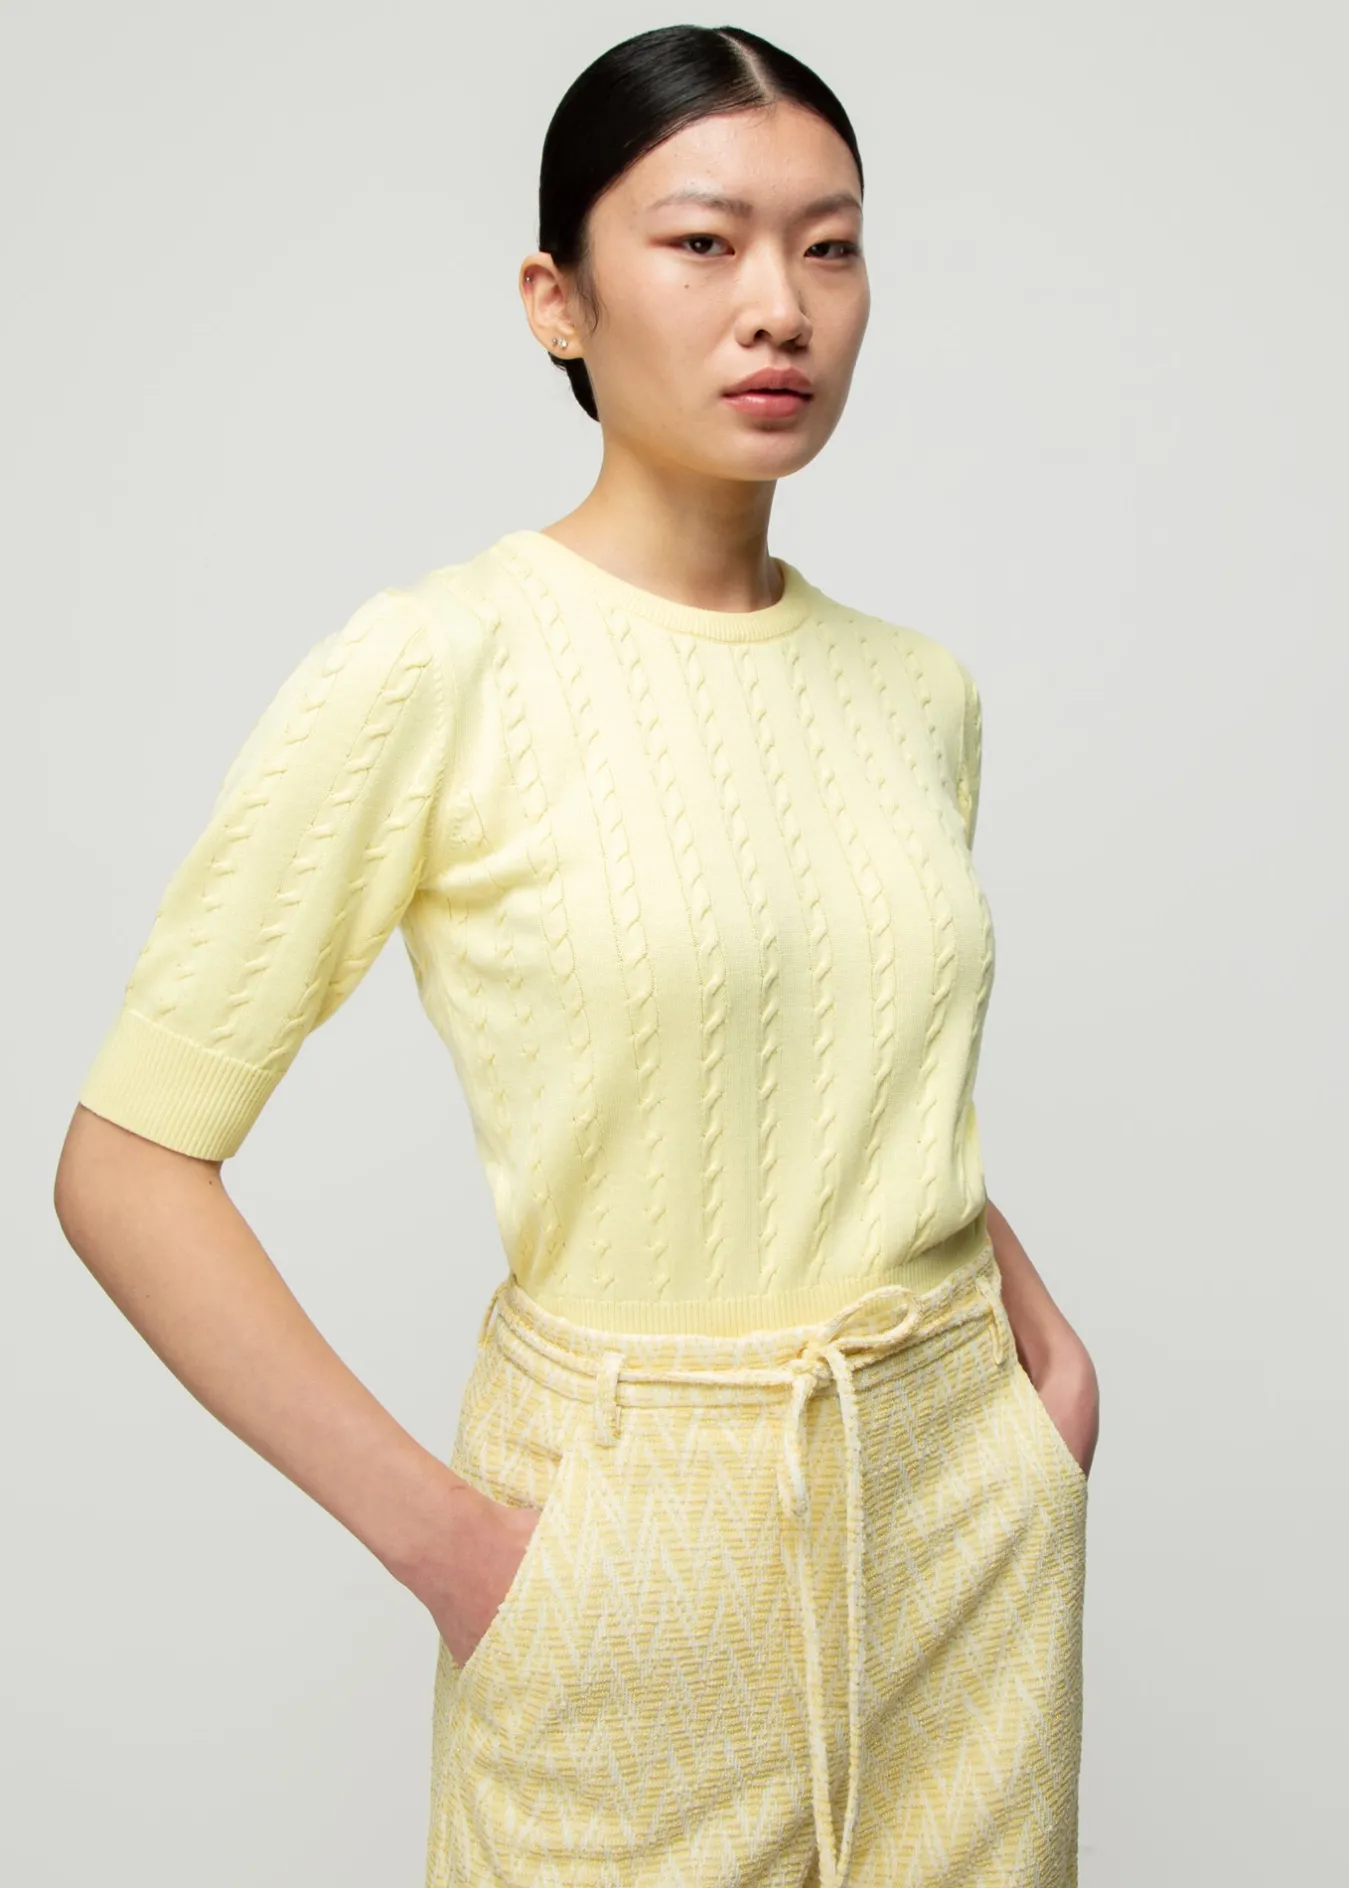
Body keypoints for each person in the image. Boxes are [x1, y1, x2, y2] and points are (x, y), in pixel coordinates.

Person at [54, 22, 1100, 1888]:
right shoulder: (436, 664)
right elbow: (124, 1166)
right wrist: (465, 1557)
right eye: (703, 242)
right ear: (559, 299)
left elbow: (857, 1055)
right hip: (627, 1543)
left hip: (964, 1521)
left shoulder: (915, 693)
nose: (779, 305)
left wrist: (1044, 1382)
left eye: (831, 246)